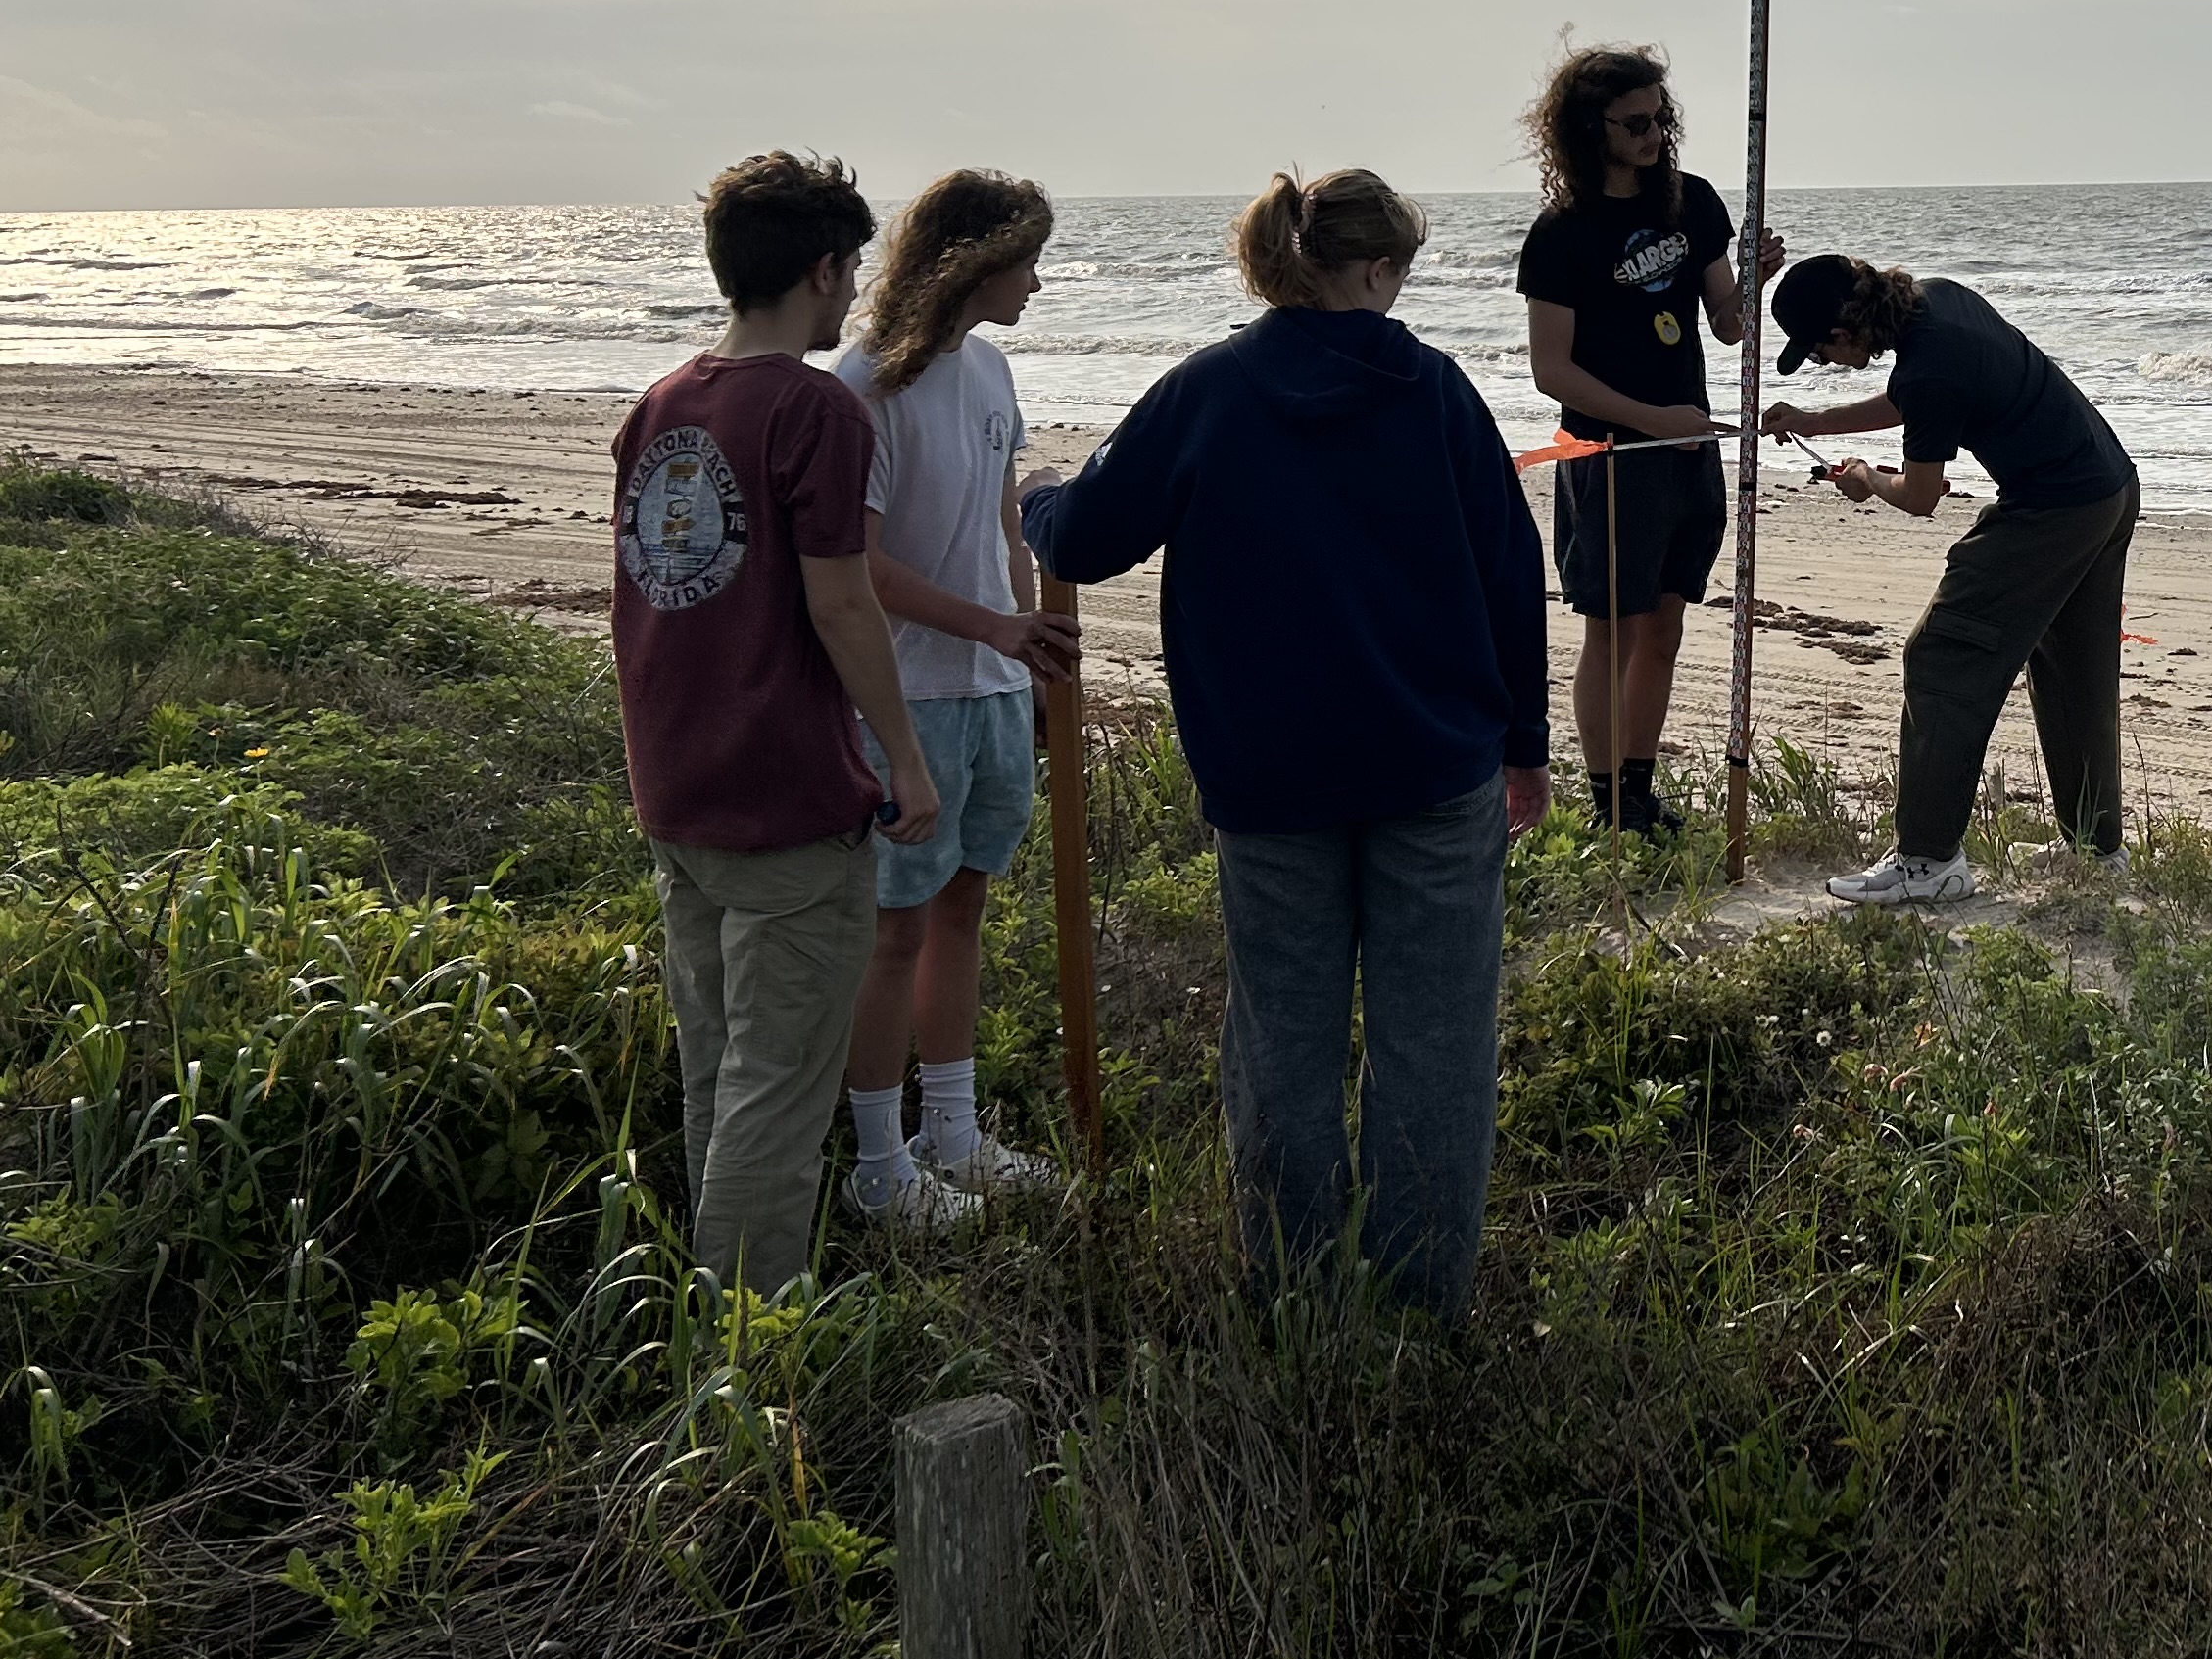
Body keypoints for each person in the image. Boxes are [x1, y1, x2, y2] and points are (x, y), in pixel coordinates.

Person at [1019, 169, 1550, 1321]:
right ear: (1375, 271)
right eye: (1401, 270)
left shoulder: (1210, 390)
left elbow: (1090, 537)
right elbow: (1515, 576)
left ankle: (1296, 1298)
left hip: (1271, 774)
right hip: (1433, 764)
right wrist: (1527, 742)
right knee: (1436, 1047)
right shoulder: (1440, 395)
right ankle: (1418, 1314)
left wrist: (1039, 500)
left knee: (1285, 1040)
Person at [609, 153, 941, 1297]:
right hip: (785, 794)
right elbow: (842, 600)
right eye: (849, 270)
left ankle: (711, 1310)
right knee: (781, 1083)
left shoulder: (662, 404)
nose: (853, 294)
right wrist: (903, 757)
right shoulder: (813, 409)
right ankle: (756, 1347)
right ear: (824, 269)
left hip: (678, 782)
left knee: (719, 1062)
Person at [828, 169, 1083, 1229]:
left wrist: (1022, 652)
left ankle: (954, 1132)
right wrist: (990, 629)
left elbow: (997, 533)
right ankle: (878, 1163)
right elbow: (859, 564)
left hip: (985, 688)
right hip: (907, 692)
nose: (1035, 277)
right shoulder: (866, 385)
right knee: (893, 929)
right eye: (1023, 256)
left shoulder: (991, 369)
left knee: (964, 910)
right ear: (970, 261)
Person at [1760, 255, 2139, 906]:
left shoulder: (1928, 366)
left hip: (2053, 507)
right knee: (2073, 667)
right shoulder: (1937, 301)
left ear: (1845, 330)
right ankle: (2095, 851)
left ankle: (1929, 860)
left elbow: (1920, 495)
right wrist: (1815, 423)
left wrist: (1865, 480)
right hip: (2108, 485)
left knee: (1941, 653)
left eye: (1818, 350)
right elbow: (1919, 400)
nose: (1821, 363)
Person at [1513, 45, 1755, 837]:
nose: (1655, 134)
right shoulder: (1563, 235)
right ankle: (1608, 800)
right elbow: (1553, 371)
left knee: (1666, 622)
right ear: (1592, 129)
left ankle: (1641, 792)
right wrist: (1652, 421)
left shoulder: (1692, 204)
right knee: (1610, 626)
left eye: (1662, 117)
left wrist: (1753, 280)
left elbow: (1727, 325)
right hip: (1609, 455)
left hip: (1688, 446)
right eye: (1636, 122)